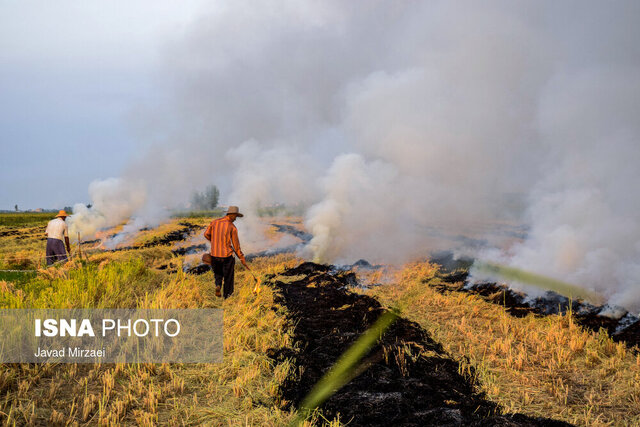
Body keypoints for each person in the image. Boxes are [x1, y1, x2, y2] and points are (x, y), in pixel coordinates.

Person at [204, 206, 248, 298]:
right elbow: (236, 246)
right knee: (228, 276)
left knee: (218, 273)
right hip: (227, 256)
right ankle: (228, 296)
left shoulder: (214, 222)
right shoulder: (232, 227)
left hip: (214, 255)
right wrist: (241, 257)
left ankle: (218, 285)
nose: (235, 219)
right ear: (231, 215)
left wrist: (215, 241)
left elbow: (206, 234)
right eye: (235, 216)